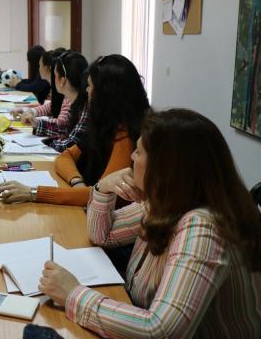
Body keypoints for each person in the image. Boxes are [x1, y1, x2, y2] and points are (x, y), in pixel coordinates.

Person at [38, 109, 261, 338]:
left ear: (166, 167)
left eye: (139, 151)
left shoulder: (203, 227)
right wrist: (103, 188)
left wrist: (72, 294)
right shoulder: (166, 202)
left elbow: (161, 331)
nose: (132, 157)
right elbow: (101, 235)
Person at [0, 55, 149, 206]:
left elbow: (103, 196)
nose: (87, 91)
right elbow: (65, 156)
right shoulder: (106, 125)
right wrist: (77, 182)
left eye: (90, 85)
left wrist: (33, 193)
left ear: (105, 93)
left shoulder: (124, 136)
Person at [35, 50, 89, 153]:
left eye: (54, 75)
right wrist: (37, 124)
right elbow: (63, 128)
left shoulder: (85, 107)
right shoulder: (73, 101)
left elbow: (70, 145)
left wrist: (48, 142)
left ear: (62, 80)